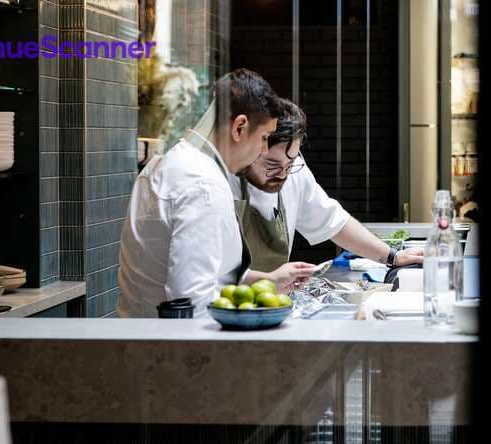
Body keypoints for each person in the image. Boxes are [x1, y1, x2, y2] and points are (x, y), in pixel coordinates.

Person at [117, 70, 315, 318]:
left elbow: (200, 272)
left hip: (139, 331)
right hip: (174, 339)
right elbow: (193, 301)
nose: (264, 149)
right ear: (239, 127)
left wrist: (267, 281)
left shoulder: (170, 163)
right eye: (264, 137)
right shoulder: (204, 187)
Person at [231, 98, 424, 272]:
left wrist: (393, 257)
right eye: (272, 165)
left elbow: (333, 222)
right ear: (252, 147)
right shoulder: (224, 180)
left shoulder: (295, 174)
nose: (283, 174)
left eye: (290, 164)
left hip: (272, 298)